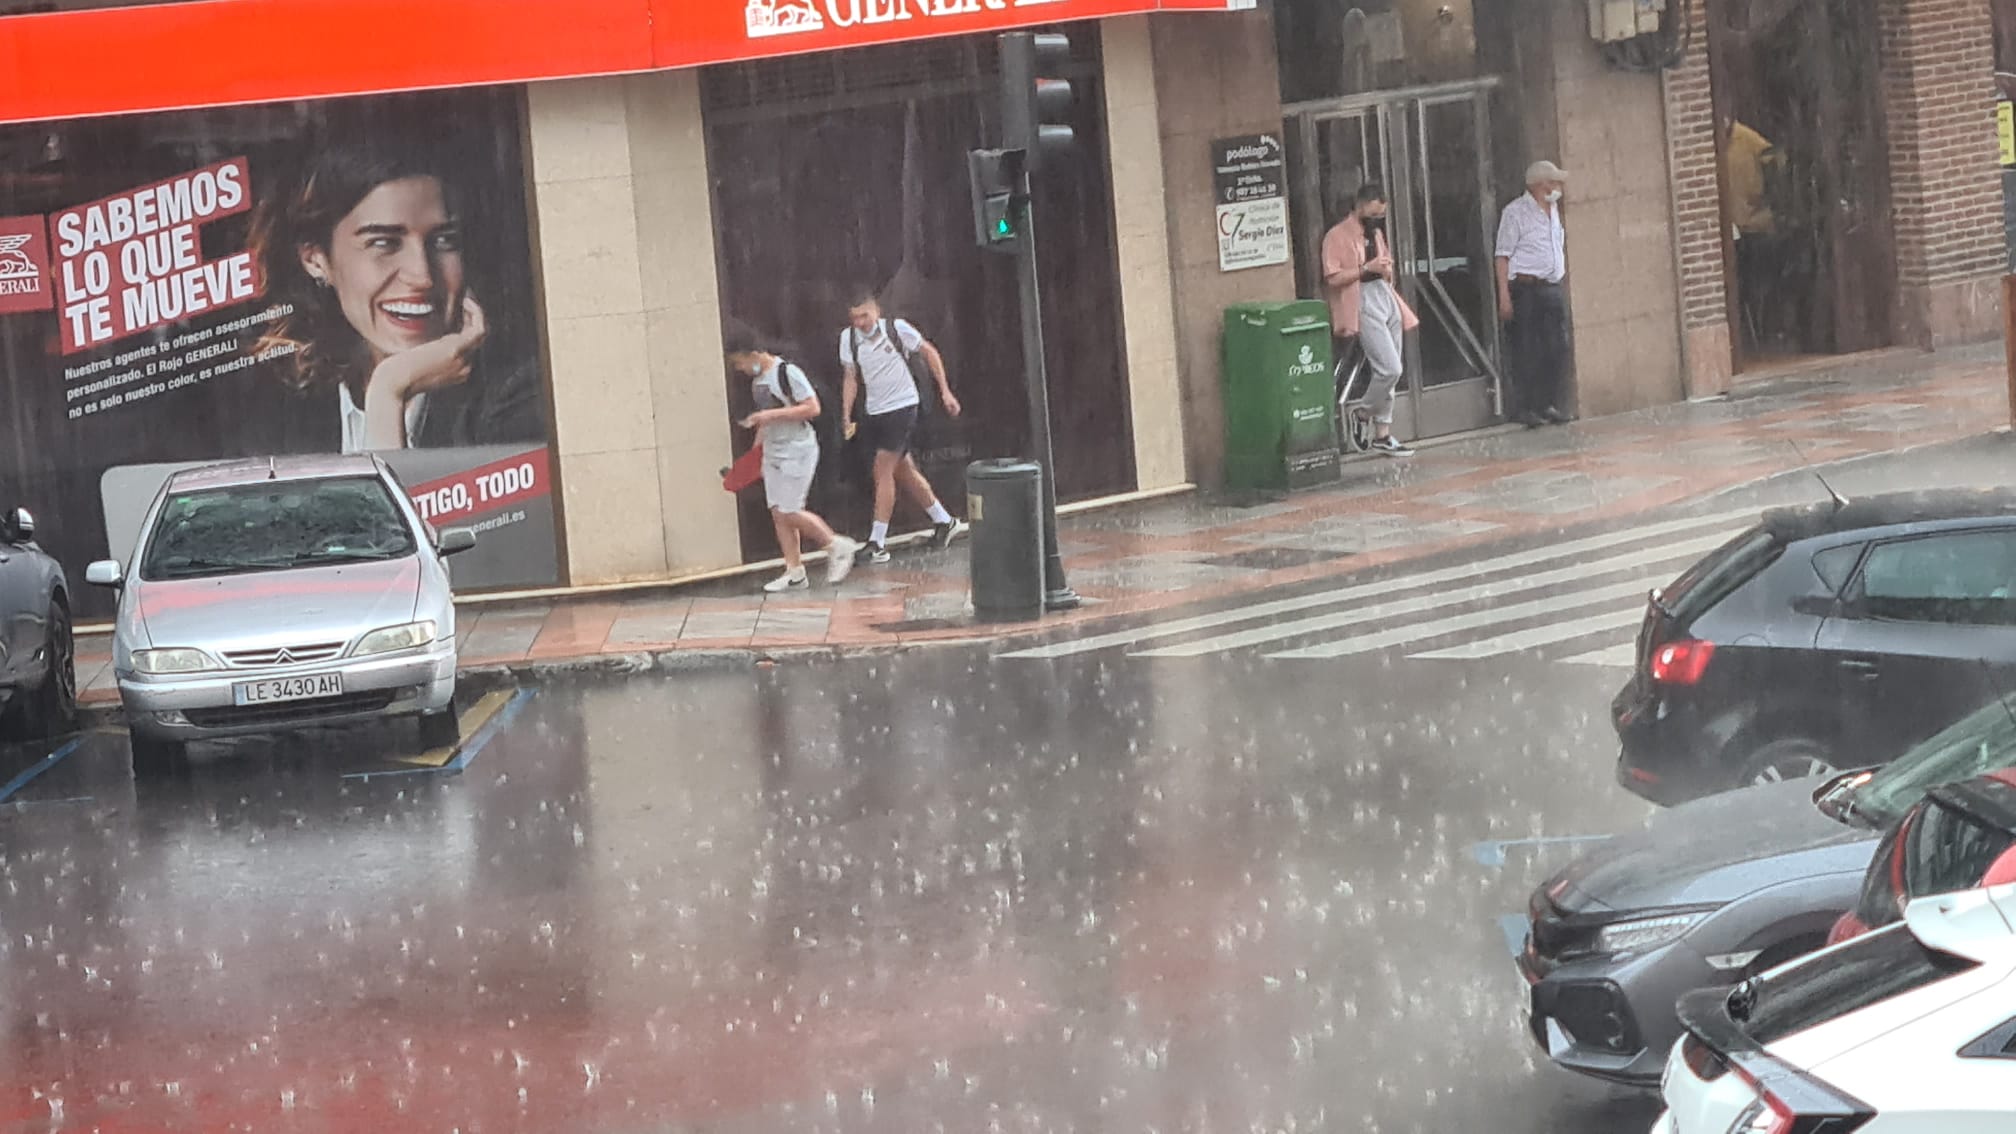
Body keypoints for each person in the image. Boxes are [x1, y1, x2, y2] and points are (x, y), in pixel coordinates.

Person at [248, 134, 544, 453]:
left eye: (444, 241)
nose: (423, 276)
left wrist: (389, 391)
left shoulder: (515, 395)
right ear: (315, 259)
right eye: (384, 243)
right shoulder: (278, 409)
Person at [726, 331, 860, 593]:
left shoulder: (788, 372)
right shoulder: (758, 383)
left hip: (798, 449)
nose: (740, 369)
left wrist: (768, 415)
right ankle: (795, 571)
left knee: (790, 510)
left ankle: (836, 545)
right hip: (774, 451)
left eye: (739, 362)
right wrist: (754, 457)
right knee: (778, 512)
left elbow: (812, 408)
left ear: (753, 354)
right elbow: (766, 423)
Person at [838, 290, 964, 564]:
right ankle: (944, 521)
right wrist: (846, 414)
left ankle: (877, 542)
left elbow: (928, 351)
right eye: (855, 318)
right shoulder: (848, 340)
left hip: (903, 406)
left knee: (882, 470)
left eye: (865, 315)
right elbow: (851, 377)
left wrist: (945, 391)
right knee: (903, 470)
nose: (861, 322)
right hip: (875, 411)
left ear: (876, 311)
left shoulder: (897, 329)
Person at [1321, 182, 1417, 457]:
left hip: (1384, 294)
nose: (1376, 220)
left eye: (1381, 215)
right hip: (1360, 297)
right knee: (1390, 368)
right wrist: (1365, 269)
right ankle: (1362, 413)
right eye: (1373, 214)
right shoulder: (1337, 236)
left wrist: (1386, 271)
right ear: (1360, 205)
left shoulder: (1375, 234)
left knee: (1389, 368)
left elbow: (1385, 262)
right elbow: (1333, 277)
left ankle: (1383, 432)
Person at [1494, 160, 1573, 428]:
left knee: (1556, 346)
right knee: (1527, 349)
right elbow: (1502, 256)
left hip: (1551, 286)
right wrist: (1504, 295)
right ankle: (1526, 406)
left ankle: (1548, 402)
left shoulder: (1553, 211)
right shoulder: (1515, 213)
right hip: (1525, 287)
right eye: (1553, 182)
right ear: (1541, 185)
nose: (1557, 187)